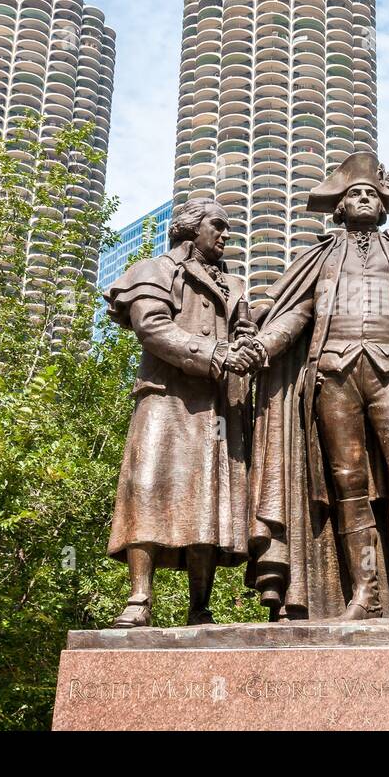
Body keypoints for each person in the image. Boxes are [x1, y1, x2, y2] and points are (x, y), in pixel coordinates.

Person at [246, 152, 389, 620]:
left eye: (371, 194)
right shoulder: (317, 258)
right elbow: (296, 314)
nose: (363, 199)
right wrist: (264, 346)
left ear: (383, 206)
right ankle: (364, 591)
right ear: (340, 206)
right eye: (354, 193)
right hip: (334, 373)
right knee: (347, 483)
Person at [103, 200, 263, 627]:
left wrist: (246, 349)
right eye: (218, 226)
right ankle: (139, 598)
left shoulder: (235, 284)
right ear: (191, 229)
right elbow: (151, 326)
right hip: (166, 398)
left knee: (207, 498)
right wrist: (214, 353)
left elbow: (245, 332)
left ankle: (200, 606)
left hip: (217, 407)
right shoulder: (155, 270)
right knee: (148, 486)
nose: (225, 235)